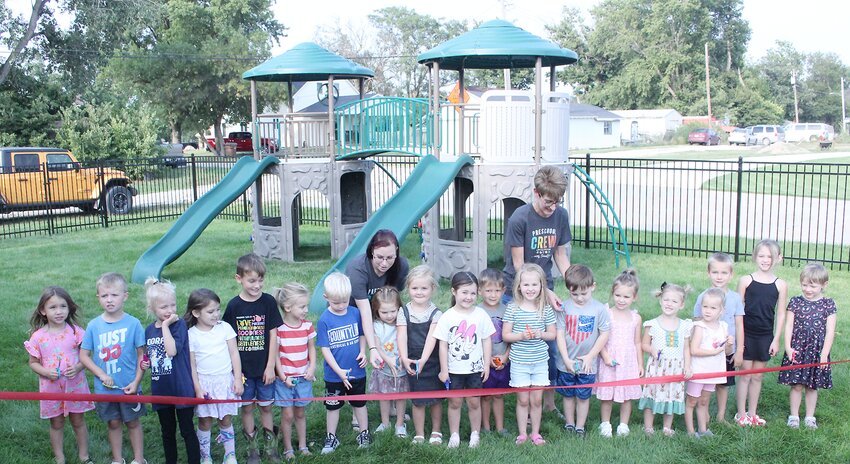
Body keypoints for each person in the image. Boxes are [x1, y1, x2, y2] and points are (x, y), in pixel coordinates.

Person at [502, 165, 571, 415]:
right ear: (536, 193)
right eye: (549, 202)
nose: (553, 207)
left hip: (545, 289)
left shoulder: (560, 216)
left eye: (557, 202)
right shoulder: (520, 219)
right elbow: (520, 267)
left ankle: (548, 403)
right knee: (517, 345)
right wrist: (543, 292)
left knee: (549, 348)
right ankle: (515, 394)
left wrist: (573, 283)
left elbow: (560, 255)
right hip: (521, 289)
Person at [79, 272, 147, 464]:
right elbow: (84, 356)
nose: (109, 300)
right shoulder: (93, 326)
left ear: (125, 296)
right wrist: (100, 374)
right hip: (105, 390)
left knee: (133, 422)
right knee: (114, 423)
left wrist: (136, 382)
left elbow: (142, 355)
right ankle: (118, 459)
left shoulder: (133, 324)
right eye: (104, 296)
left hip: (129, 387)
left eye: (114, 295)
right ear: (98, 297)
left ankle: (139, 459)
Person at [222, 253, 283, 463]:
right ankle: (252, 450)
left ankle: (271, 448)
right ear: (238, 279)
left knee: (266, 406)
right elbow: (229, 341)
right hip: (244, 372)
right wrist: (236, 374)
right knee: (247, 408)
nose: (257, 285)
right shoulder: (233, 306)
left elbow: (274, 335)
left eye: (260, 280)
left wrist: (270, 367)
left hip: (265, 369)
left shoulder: (268, 302)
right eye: (251, 281)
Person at [25, 286, 95, 464]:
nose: (59, 311)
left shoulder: (76, 332)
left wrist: (79, 367)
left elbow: (86, 356)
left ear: (69, 308)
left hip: (75, 385)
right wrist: (45, 371)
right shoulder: (38, 337)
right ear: (43, 310)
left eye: (63, 306)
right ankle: (60, 457)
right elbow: (33, 363)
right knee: (56, 423)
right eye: (53, 307)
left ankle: (84, 456)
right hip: (51, 388)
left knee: (78, 421)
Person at [434, 272, 495, 449]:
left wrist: (486, 364)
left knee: (474, 402)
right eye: (464, 292)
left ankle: (475, 434)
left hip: (475, 369)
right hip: (454, 369)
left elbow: (486, 340)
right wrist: (444, 370)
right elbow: (443, 345)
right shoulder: (447, 317)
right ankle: (454, 435)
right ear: (454, 291)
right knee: (455, 402)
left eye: (473, 293)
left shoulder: (481, 315)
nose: (469, 297)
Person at [142, 278, 200, 464]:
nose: (169, 310)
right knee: (167, 432)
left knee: (187, 430)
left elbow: (172, 351)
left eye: (172, 305)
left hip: (181, 387)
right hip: (161, 389)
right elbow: (153, 355)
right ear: (152, 309)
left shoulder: (179, 325)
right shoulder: (149, 330)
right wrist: (146, 363)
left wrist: (166, 326)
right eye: (163, 307)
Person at [501, 264, 556, 446]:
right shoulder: (513, 308)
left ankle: (536, 433)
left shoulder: (545, 309)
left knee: (537, 399)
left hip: (540, 361)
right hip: (519, 362)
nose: (530, 289)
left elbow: (552, 334)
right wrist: (521, 336)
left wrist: (540, 334)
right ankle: (523, 433)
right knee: (523, 399)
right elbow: (506, 335)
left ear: (541, 286)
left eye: (534, 285)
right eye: (526, 285)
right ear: (519, 286)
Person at [186, 288, 243, 464]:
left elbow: (234, 353)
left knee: (225, 419)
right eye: (210, 311)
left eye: (218, 309)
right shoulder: (191, 334)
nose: (216, 314)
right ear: (196, 312)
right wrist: (198, 389)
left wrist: (237, 378)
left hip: (225, 381)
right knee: (205, 421)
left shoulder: (225, 328)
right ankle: (205, 455)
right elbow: (192, 365)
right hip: (205, 384)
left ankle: (230, 454)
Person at [316, 272, 371, 454]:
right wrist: (339, 371)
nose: (340, 306)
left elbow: (362, 334)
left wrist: (363, 351)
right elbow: (325, 349)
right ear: (326, 297)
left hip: (356, 372)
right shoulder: (324, 319)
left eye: (344, 301)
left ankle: (364, 433)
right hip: (334, 375)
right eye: (335, 302)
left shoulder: (355, 313)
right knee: (333, 407)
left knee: (359, 404)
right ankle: (331, 437)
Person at [778, 263, 837, 430]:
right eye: (804, 285)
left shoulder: (828, 304)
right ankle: (794, 416)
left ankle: (810, 417)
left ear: (824, 285)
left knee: (812, 385)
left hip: (817, 352)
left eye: (813, 286)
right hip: (798, 348)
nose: (808, 289)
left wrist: (824, 355)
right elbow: (789, 326)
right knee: (796, 384)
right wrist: (788, 348)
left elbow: (830, 331)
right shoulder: (795, 302)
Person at [736, 239, 788, 427]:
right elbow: (737, 310)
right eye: (762, 255)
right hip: (747, 333)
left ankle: (752, 413)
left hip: (765, 335)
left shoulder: (780, 284)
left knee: (757, 375)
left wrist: (776, 339)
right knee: (746, 374)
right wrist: (738, 338)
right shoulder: (746, 281)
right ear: (754, 256)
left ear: (778, 258)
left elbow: (781, 313)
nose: (766, 260)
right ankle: (741, 414)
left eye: (770, 256)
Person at [554, 264, 610, 439]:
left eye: (583, 293)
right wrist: (566, 359)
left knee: (583, 396)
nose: (579, 298)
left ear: (593, 286)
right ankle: (569, 424)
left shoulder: (600, 309)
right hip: (566, 363)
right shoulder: (563, 308)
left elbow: (604, 334)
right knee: (568, 394)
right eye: (574, 293)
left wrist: (591, 356)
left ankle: (580, 426)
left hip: (588, 364)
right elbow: (560, 334)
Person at [346, 229, 410, 369]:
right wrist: (373, 348)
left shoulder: (402, 266)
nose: (385, 263)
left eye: (390, 258)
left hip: (381, 312)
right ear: (371, 252)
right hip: (353, 313)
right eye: (380, 257)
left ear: (397, 252)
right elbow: (364, 311)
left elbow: (395, 301)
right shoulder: (357, 268)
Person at [693, 253, 745, 423]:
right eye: (715, 272)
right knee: (706, 383)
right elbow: (697, 323)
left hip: (728, 350)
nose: (719, 276)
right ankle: (704, 410)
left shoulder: (735, 298)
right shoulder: (703, 297)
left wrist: (739, 351)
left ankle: (721, 415)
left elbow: (739, 325)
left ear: (731, 275)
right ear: (708, 273)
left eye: (724, 273)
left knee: (724, 383)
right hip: (706, 350)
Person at [639, 282, 693, 437]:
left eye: (674, 301)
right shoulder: (652, 324)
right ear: (660, 300)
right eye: (666, 300)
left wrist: (687, 367)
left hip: (676, 367)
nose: (669, 304)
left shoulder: (684, 326)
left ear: (681, 305)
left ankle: (666, 427)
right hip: (657, 367)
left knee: (672, 395)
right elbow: (644, 344)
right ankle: (648, 426)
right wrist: (652, 350)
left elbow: (686, 349)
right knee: (653, 394)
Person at [397, 265, 444, 445]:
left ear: (432, 289)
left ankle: (436, 431)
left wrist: (424, 360)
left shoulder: (436, 313)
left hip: (431, 360)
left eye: (424, 288)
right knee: (418, 399)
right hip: (411, 360)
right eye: (415, 288)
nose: (419, 292)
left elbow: (432, 338)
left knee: (435, 398)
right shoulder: (404, 311)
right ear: (408, 288)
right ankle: (419, 433)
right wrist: (403, 357)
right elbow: (401, 335)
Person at [596, 269, 643, 438]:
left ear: (634, 297)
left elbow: (637, 342)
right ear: (612, 293)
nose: (621, 300)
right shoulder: (607, 313)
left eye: (626, 297)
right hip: (609, 358)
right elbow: (599, 338)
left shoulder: (636, 318)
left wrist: (640, 364)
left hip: (628, 361)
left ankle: (623, 425)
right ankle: (605, 423)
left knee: (626, 396)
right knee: (607, 395)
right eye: (618, 295)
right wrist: (605, 355)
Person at [272, 283, 317, 460]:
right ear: (287, 307)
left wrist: (312, 367)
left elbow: (312, 349)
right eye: (302, 306)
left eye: (306, 305)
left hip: (303, 378)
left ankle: (303, 445)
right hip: (285, 379)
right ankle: (288, 448)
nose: (306, 309)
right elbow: (275, 356)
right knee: (288, 414)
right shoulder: (279, 329)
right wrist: (283, 377)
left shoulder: (307, 326)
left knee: (300, 412)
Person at [685, 288, 732, 438]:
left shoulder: (724, 326)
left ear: (721, 310)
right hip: (699, 371)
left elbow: (726, 352)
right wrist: (713, 352)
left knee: (704, 401)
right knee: (692, 401)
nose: (708, 311)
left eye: (713, 308)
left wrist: (730, 344)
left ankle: (703, 430)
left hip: (714, 371)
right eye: (705, 306)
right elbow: (694, 350)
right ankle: (691, 432)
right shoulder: (700, 327)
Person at [369, 286, 409, 437]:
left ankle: (400, 424)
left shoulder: (403, 323)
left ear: (399, 308)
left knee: (401, 395)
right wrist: (388, 359)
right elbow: (377, 346)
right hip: (384, 367)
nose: (389, 315)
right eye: (384, 312)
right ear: (377, 310)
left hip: (401, 367)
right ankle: (385, 422)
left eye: (393, 311)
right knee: (384, 396)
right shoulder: (377, 325)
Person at [478, 268, 511, 436]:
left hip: (503, 360)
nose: (493, 295)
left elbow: (512, 339)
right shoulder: (477, 311)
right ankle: (485, 427)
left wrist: (505, 357)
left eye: (497, 290)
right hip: (484, 362)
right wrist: (487, 359)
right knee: (486, 396)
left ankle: (500, 427)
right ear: (480, 290)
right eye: (488, 290)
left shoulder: (507, 310)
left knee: (499, 395)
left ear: (503, 290)